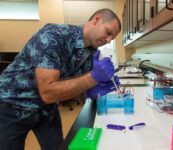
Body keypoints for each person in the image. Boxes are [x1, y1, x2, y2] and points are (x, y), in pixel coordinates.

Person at [0, 8, 121, 150]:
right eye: (108, 32)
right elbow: (48, 92)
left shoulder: (91, 53)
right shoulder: (53, 35)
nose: (108, 40)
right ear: (96, 20)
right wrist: (92, 78)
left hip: (46, 107)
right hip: (11, 104)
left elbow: (71, 86)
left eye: (112, 38)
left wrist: (90, 92)